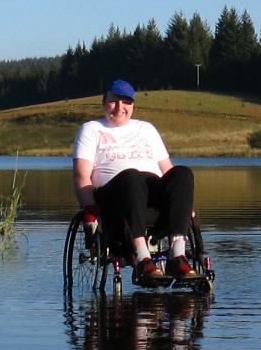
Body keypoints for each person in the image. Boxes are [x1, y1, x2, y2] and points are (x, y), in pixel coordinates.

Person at [72, 79, 197, 286]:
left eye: (126, 102)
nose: (120, 108)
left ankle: (178, 255)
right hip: (114, 193)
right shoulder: (91, 129)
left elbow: (167, 168)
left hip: (150, 190)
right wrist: (89, 208)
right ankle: (141, 257)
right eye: (114, 102)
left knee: (182, 173)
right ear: (104, 103)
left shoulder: (146, 129)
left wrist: (185, 205)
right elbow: (81, 174)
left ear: (133, 106)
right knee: (132, 176)